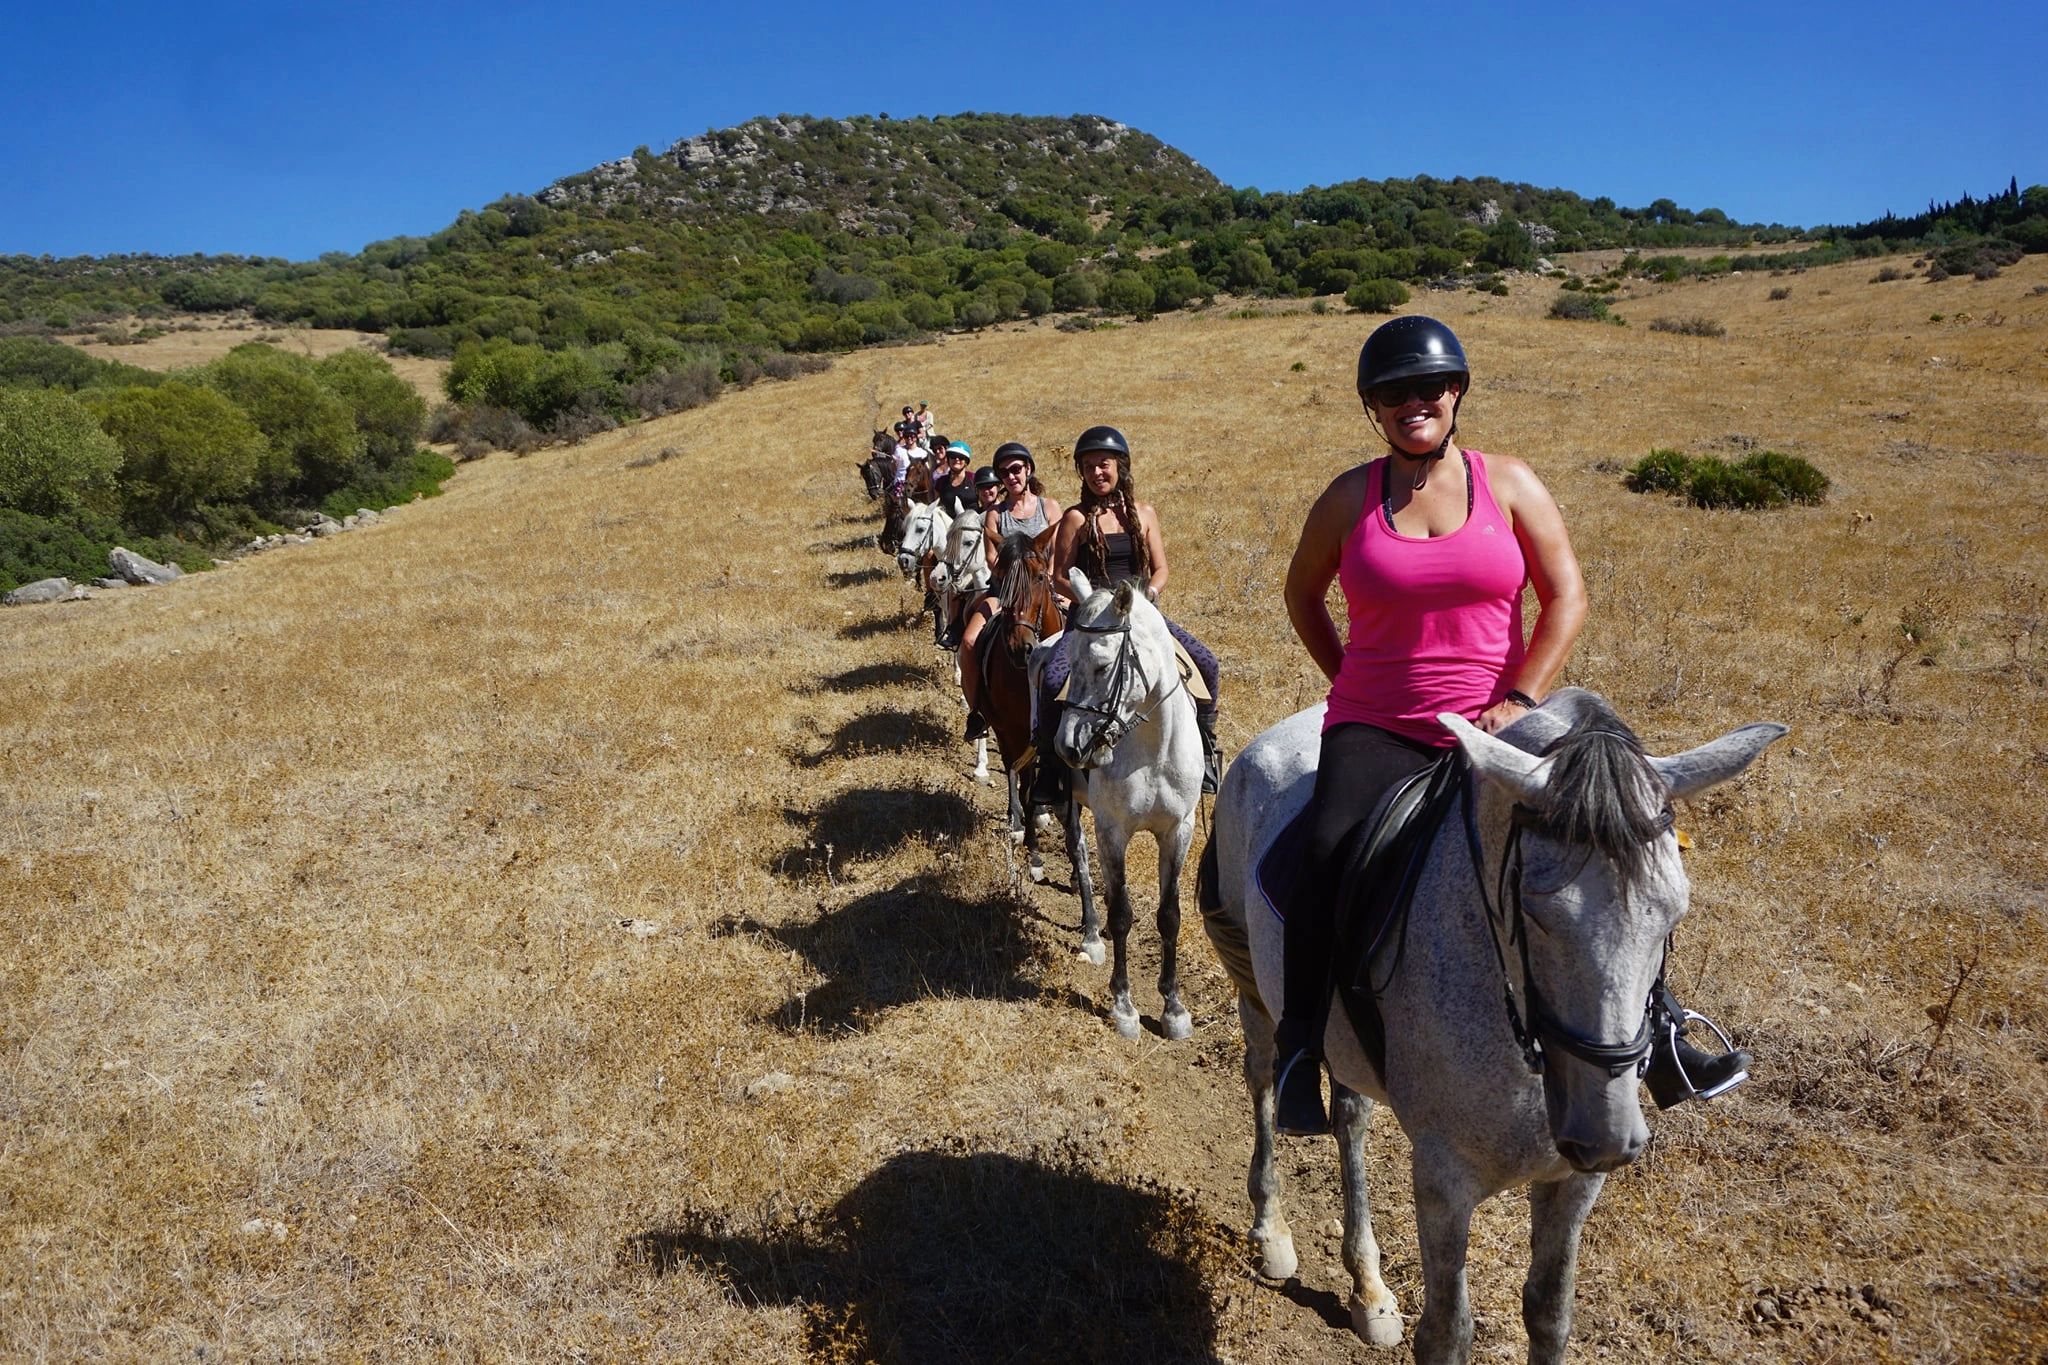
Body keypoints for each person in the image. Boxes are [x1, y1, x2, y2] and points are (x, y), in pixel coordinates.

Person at [1270, 314, 1749, 1137]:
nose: (1411, 404)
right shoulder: (1350, 497)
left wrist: (1523, 696)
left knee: (1611, 842)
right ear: (1372, 409)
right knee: (1322, 851)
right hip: (1380, 725)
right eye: (1392, 394)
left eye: (1427, 388)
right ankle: (1297, 1051)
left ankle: (1664, 1033)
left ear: (1456, 393)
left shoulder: (1513, 484)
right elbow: (1300, 596)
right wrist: (1350, 680)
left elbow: (1567, 597)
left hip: (1505, 721)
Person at [1032, 426, 1224, 806]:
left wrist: (1147, 596)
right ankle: (1050, 770)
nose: (1096, 473)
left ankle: (1205, 753)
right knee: (1053, 680)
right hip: (1091, 622)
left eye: (1103, 464)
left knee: (1207, 664)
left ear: (1120, 466)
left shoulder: (1145, 513)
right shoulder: (1075, 517)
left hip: (1141, 619)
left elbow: (1161, 569)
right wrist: (1095, 602)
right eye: (1087, 467)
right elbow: (1059, 575)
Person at [982, 443, 1061, 574]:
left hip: (1045, 581)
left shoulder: (1050, 507)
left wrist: (1049, 577)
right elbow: (991, 557)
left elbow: (1057, 550)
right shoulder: (995, 514)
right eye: (1004, 473)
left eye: (1016, 469)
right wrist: (1014, 578)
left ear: (1028, 469)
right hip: (1009, 583)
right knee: (989, 596)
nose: (1011, 477)